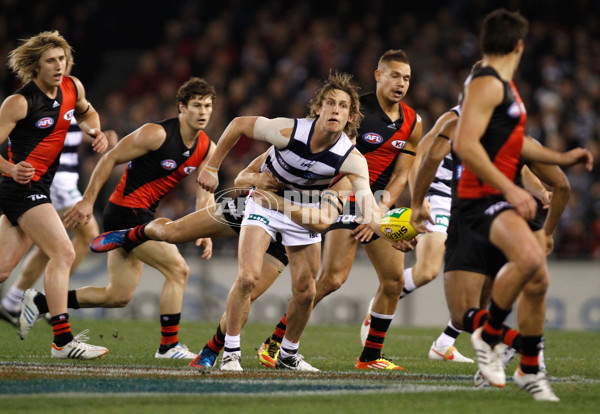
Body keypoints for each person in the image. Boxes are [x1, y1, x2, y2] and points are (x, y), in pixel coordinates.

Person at [196, 71, 392, 371]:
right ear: (318, 108)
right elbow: (238, 125)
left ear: (351, 116)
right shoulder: (289, 131)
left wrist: (392, 233)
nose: (335, 110)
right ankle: (231, 354)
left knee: (307, 292)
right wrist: (211, 166)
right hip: (265, 204)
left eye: (342, 106)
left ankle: (287, 354)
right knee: (247, 277)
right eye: (330, 103)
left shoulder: (351, 159)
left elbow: (368, 207)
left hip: (301, 213)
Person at [19, 77, 216, 360]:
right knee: (178, 270)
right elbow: (110, 158)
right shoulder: (156, 134)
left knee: (118, 296)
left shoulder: (208, 147)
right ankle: (168, 346)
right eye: (196, 105)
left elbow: (204, 191)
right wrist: (87, 200)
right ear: (181, 108)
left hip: (142, 216)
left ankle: (41, 301)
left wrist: (204, 227)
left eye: (208, 106)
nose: (203, 112)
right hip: (125, 213)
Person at [453, 9, 592, 400]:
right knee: (531, 259)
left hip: (495, 197)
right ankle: (490, 333)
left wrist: (563, 158)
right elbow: (465, 145)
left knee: (539, 279)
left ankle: (529, 370)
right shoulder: (487, 83)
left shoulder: (504, 87)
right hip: (480, 198)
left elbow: (516, 145)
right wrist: (511, 188)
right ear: (519, 45)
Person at [258, 49, 421, 370]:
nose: (400, 83)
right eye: (394, 76)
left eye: (406, 78)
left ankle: (371, 356)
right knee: (332, 279)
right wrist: (366, 212)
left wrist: (382, 207)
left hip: (376, 203)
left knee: (394, 280)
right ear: (378, 76)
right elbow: (335, 164)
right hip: (342, 198)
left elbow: (402, 173)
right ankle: (276, 341)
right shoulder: (355, 114)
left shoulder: (413, 122)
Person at [0, 31, 109, 359]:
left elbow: (87, 113)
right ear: (35, 65)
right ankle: (62, 341)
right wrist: (10, 169)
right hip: (20, 188)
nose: (58, 65)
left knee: (4, 270)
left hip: (40, 187)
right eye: (50, 60)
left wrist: (94, 131)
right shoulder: (19, 102)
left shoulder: (72, 88)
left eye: (62, 59)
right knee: (63, 252)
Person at [0, 117, 118, 327]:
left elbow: (69, 132)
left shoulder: (70, 103)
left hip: (61, 179)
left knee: (51, 246)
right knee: (87, 233)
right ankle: (47, 299)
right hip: (56, 180)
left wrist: (98, 135)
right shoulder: (48, 103)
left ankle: (14, 301)